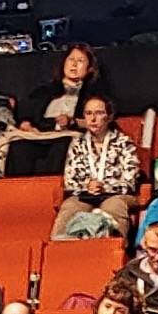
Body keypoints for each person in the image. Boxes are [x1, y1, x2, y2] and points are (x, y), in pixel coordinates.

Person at [0, 44, 108, 175]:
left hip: (68, 135)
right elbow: (25, 114)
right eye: (71, 59)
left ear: (89, 69)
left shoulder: (93, 95)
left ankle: (52, 192)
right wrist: (25, 123)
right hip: (38, 133)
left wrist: (73, 121)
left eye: (80, 61)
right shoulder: (44, 90)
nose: (74, 65)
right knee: (19, 148)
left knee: (63, 146)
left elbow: (102, 121)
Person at [51, 95, 143, 238]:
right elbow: (70, 180)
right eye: (88, 113)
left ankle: (113, 251)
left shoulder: (124, 142)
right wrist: (87, 186)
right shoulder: (78, 144)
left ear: (110, 117)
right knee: (69, 208)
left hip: (116, 194)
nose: (93, 119)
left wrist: (104, 187)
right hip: (85, 194)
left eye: (99, 113)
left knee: (114, 207)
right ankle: (59, 250)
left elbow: (130, 179)